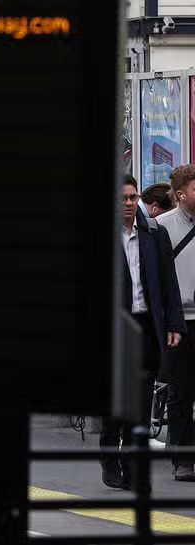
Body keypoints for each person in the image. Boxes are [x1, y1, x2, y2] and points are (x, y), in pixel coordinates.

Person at [102, 175, 184, 490]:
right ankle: (110, 456)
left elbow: (169, 283)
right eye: (122, 198)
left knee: (139, 398)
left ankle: (131, 464)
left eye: (133, 197)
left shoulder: (154, 234)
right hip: (113, 329)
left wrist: (174, 323)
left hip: (146, 327)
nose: (128, 203)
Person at [156, 165, 195, 482]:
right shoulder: (160, 227)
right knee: (181, 391)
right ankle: (183, 458)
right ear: (181, 194)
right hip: (178, 321)